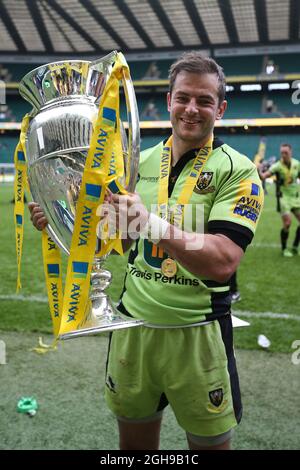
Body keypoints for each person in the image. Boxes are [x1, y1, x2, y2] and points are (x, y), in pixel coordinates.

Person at [28, 52, 264, 450]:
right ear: (169, 100)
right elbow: (109, 238)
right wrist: (56, 219)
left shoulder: (237, 169)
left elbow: (223, 261)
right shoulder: (136, 162)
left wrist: (150, 223)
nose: (192, 109)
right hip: (133, 330)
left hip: (198, 334)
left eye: (204, 100)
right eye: (183, 97)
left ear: (220, 108)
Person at [259, 143, 300, 257]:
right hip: (283, 198)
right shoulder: (276, 166)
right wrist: (259, 170)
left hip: (295, 197)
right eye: (282, 152)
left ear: (290, 152)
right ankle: (284, 249)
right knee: (287, 223)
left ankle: (296, 246)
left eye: (285, 152)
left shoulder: (297, 164)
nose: (283, 155)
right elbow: (264, 176)